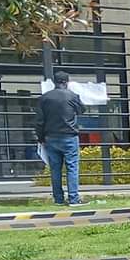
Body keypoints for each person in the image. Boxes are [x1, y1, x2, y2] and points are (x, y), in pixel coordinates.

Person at [35, 70, 84, 206]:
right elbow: (82, 110)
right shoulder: (72, 96)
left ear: (54, 82)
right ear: (66, 82)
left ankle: (58, 199)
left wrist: (40, 138)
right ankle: (74, 198)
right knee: (72, 167)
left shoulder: (44, 98)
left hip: (50, 137)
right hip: (69, 136)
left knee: (55, 169)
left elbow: (39, 121)